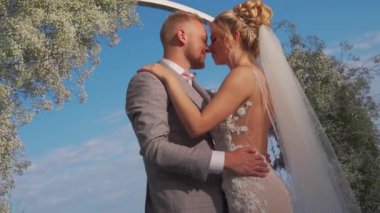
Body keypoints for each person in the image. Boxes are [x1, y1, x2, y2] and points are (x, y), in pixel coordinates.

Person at [140, 0, 361, 212]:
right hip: (253, 184)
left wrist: (169, 78)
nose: (209, 47)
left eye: (215, 38)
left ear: (234, 37)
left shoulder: (241, 76)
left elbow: (197, 125)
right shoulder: (258, 77)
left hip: (252, 191)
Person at [126, 11, 269, 213]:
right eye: (204, 39)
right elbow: (154, 148)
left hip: (233, 199)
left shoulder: (202, 89)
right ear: (182, 36)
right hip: (185, 205)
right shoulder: (147, 80)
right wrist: (227, 160)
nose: (208, 48)